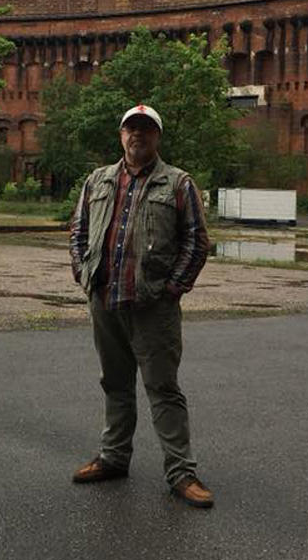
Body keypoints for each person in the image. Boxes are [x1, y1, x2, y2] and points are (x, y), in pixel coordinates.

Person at [68, 103, 213, 508]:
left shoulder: (178, 183)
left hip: (153, 306)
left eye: (147, 130)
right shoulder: (97, 181)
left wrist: (173, 288)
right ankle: (114, 457)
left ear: (157, 137)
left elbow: (197, 241)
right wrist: (84, 274)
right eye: (132, 129)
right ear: (121, 135)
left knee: (163, 388)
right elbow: (78, 231)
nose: (138, 135)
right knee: (114, 383)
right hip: (105, 300)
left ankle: (181, 473)